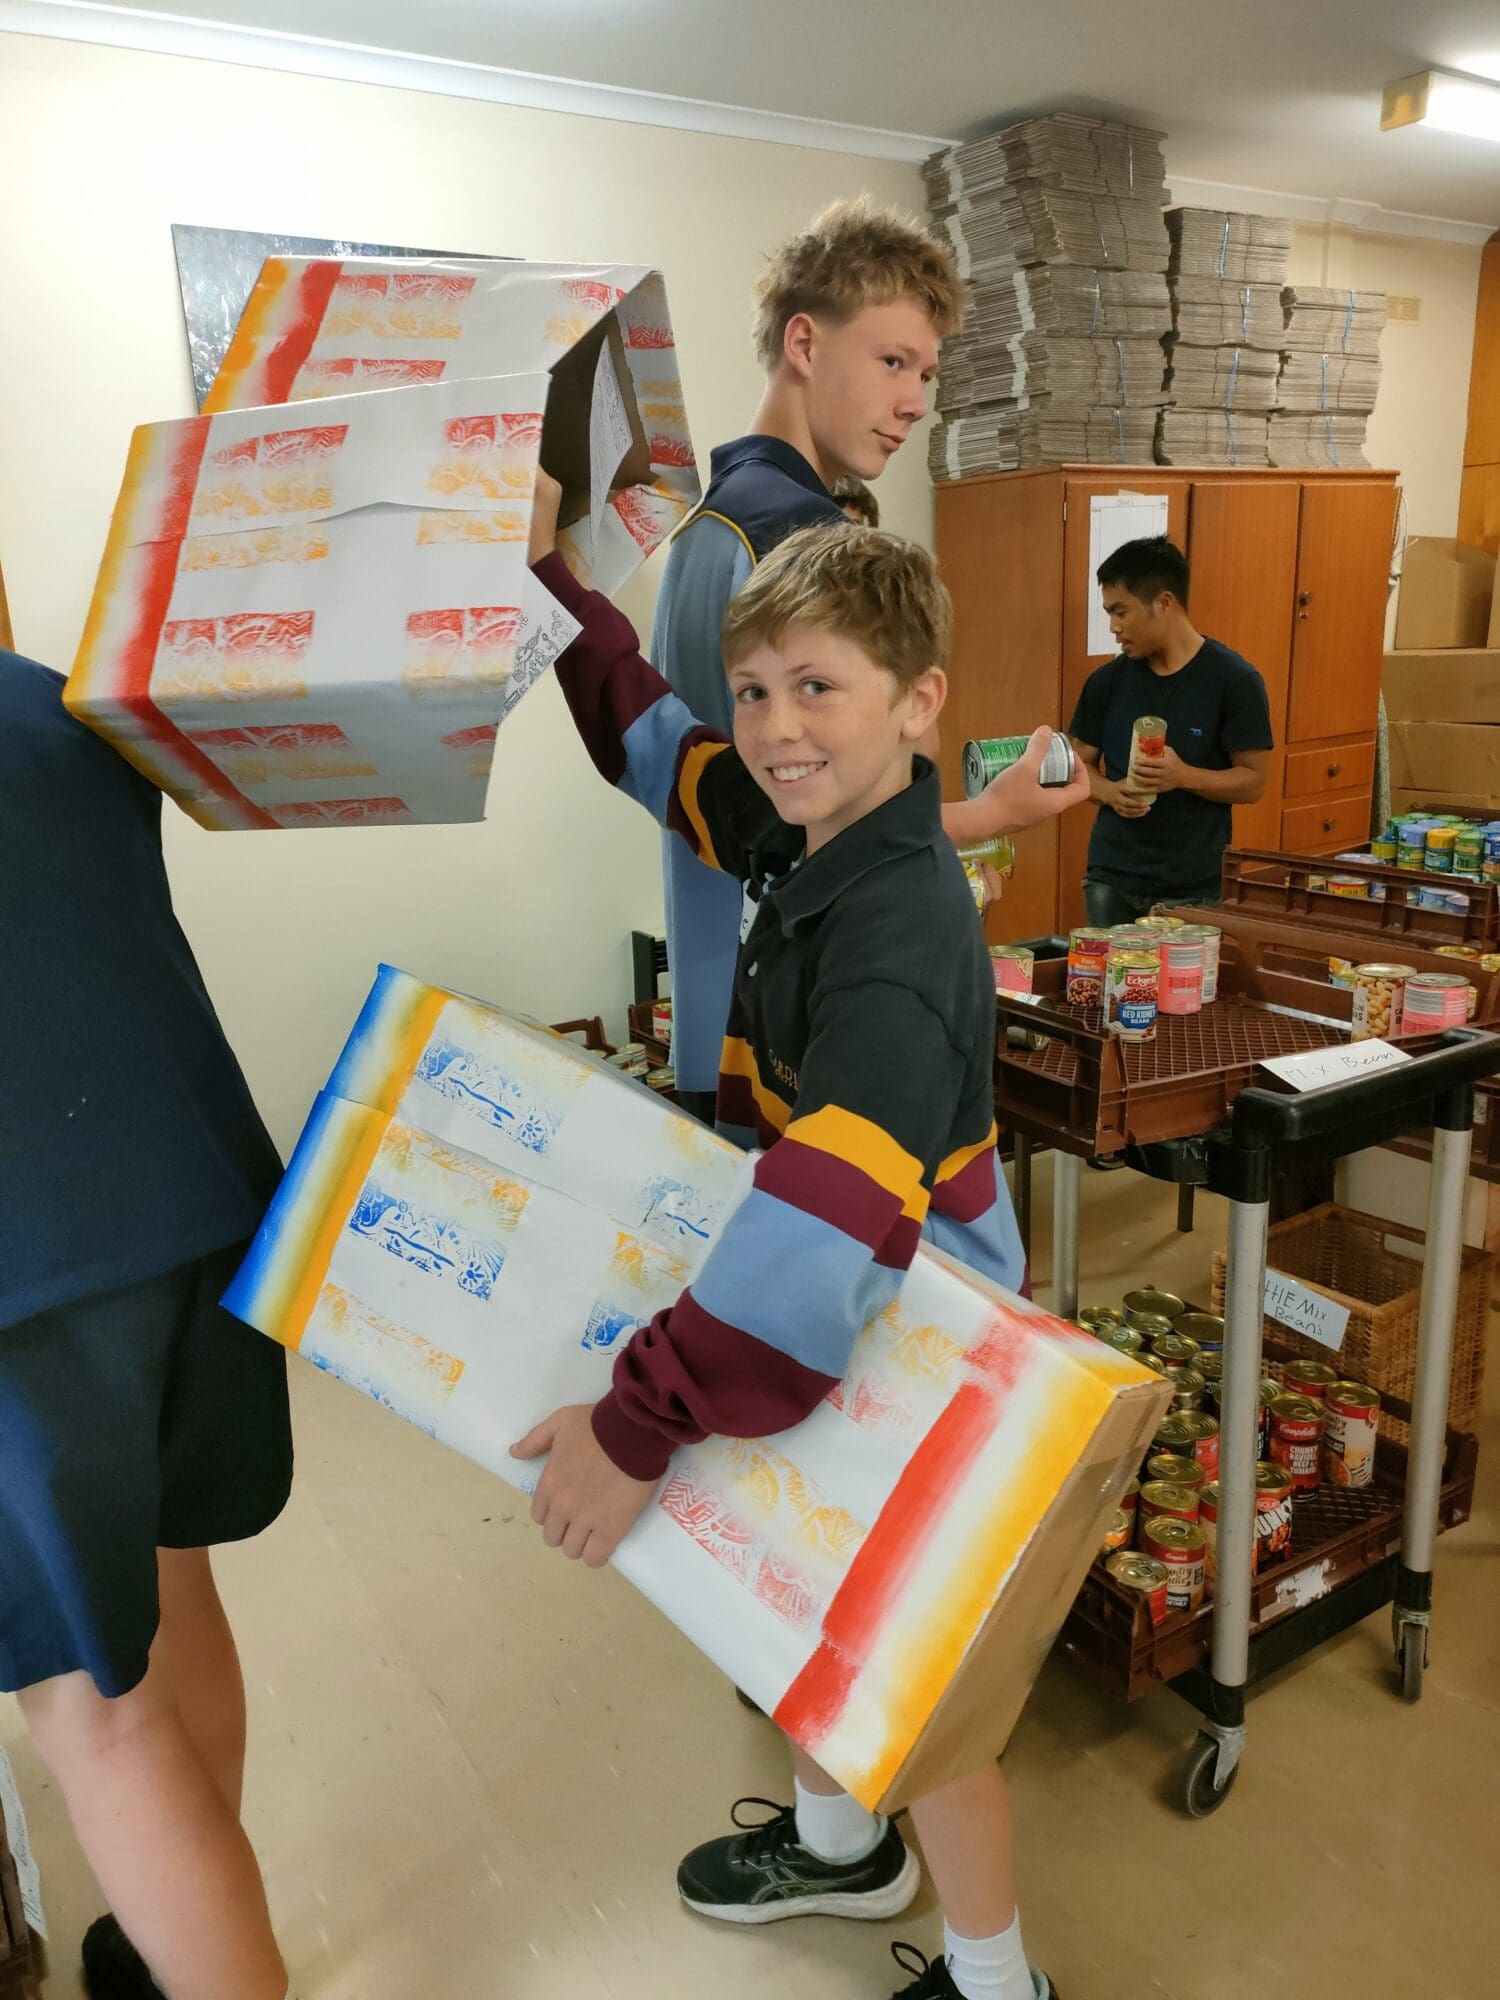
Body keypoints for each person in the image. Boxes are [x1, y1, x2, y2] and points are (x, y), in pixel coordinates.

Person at [513, 474, 1079, 2000]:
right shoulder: (805, 834)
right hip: (832, 1323)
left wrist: (637, 1424)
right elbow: (656, 740)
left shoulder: (897, 937)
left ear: (919, 702)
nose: (775, 726)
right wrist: (543, 572)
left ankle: (998, 1982)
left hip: (914, 1343)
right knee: (806, 1601)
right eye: (757, 689)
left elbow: (819, 1240)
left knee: (914, 1683)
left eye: (817, 687)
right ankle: (841, 1851)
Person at [0, 651, 296, 2000]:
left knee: (93, 1707)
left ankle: (201, 1951)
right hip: (202, 1208)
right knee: (177, 1591)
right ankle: (174, 1930)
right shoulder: (54, 700)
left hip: (33, 1281)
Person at [651, 197, 1025, 1120]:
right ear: (804, 344)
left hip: (718, 1012)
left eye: (926, 374)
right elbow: (853, 824)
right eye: (892, 361)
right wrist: (994, 816)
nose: (915, 403)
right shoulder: (810, 546)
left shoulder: (710, 523)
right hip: (808, 1025)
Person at [1068, 536, 1273, 927]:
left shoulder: (1235, 681)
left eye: (1121, 612)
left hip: (1194, 886)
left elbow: (1253, 782)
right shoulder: (1106, 682)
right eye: (1109, 613)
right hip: (1112, 879)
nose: (1113, 627)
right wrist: (1110, 793)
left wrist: (1182, 776)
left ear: (1164, 602)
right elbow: (1076, 766)